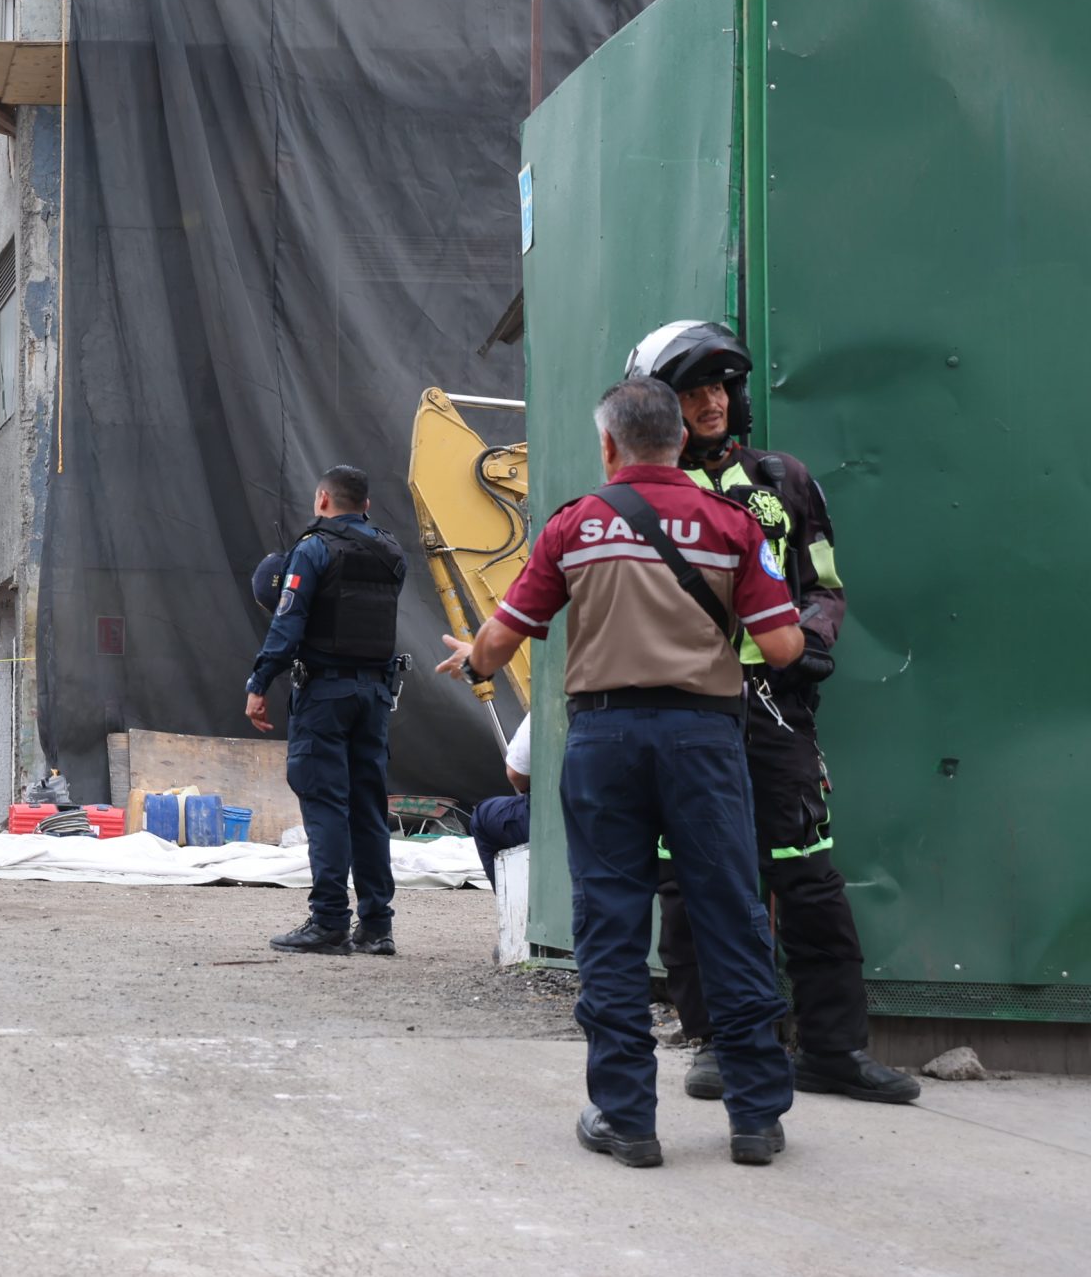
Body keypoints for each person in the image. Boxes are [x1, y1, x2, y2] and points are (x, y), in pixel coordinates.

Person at [439, 376, 803, 1168]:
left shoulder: (577, 525)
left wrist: (473, 654)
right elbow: (782, 647)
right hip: (705, 739)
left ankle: (627, 1117)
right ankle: (755, 1119)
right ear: (680, 438)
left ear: (608, 444)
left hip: (605, 739)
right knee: (731, 915)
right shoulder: (732, 524)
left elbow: (499, 645)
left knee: (610, 921)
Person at [623, 323, 921, 1107]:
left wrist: (814, 639)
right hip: (684, 711)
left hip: (773, 710)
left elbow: (824, 583)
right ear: (662, 406)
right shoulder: (646, 496)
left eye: (722, 386)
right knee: (693, 880)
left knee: (809, 877)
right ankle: (719, 1040)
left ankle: (832, 1047)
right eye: (693, 392)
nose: (713, 402)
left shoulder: (783, 477)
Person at [244, 466, 408, 957]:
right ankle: (377, 926)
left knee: (325, 803)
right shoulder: (391, 552)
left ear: (321, 500)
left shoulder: (313, 549)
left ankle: (330, 921)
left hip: (325, 697)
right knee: (367, 807)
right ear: (367, 505)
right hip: (376, 696)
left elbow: (287, 623)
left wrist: (259, 682)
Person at [469, 718, 531, 888]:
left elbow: (516, 774)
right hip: (603, 814)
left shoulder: (548, 707)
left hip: (554, 817)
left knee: (483, 816)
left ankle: (518, 908)